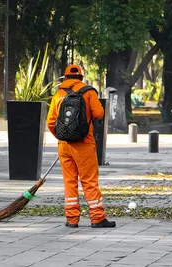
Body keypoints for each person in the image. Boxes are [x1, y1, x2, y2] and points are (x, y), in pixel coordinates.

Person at [46, 64, 116, 228]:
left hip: (64, 145)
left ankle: (72, 219)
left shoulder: (58, 94)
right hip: (84, 144)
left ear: (65, 78)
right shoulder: (89, 91)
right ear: (81, 78)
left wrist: (64, 136)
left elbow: (50, 122)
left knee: (69, 181)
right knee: (89, 181)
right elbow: (99, 114)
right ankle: (97, 218)